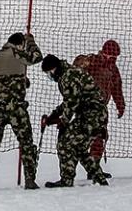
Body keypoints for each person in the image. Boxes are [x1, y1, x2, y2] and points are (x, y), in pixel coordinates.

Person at [0, 32, 43, 191]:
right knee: (26, 142)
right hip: (16, 109)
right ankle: (29, 179)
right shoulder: (18, 53)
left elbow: (0, 81)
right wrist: (31, 42)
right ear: (20, 44)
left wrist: (21, 80)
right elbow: (37, 57)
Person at [40, 53, 108, 187]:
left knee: (65, 143)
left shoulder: (68, 77)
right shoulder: (71, 72)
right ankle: (100, 178)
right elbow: (69, 101)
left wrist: (64, 121)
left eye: (49, 73)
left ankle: (66, 180)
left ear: (53, 69)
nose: (50, 76)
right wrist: (54, 115)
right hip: (96, 115)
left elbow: (72, 102)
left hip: (90, 116)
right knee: (79, 148)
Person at [72, 39, 126, 173]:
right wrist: (82, 62)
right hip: (86, 106)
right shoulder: (93, 61)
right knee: (81, 138)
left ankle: (94, 168)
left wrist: (120, 105)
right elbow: (76, 66)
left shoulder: (113, 68)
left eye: (115, 57)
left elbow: (117, 88)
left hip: (101, 108)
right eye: (111, 56)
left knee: (100, 137)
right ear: (104, 52)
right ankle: (69, 170)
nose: (113, 59)